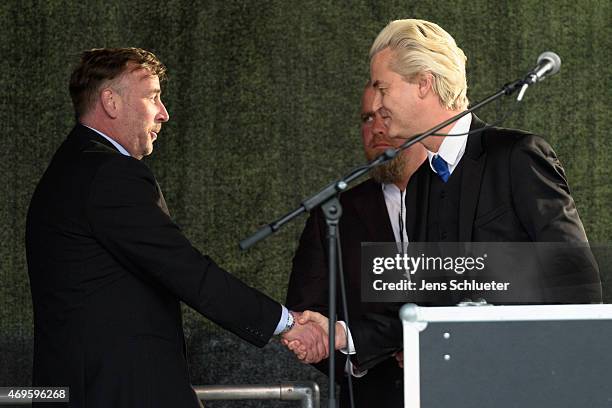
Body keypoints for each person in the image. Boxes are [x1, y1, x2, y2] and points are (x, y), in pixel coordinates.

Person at [25, 47, 326, 408]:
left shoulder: (73, 167)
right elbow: (186, 271)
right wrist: (287, 324)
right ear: (111, 102)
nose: (164, 113)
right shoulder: (108, 173)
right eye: (153, 97)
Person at [368, 18, 601, 304]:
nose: (376, 104)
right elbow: (425, 303)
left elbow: (576, 280)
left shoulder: (518, 155)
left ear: (423, 83)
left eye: (382, 88)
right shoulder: (418, 185)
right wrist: (340, 333)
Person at [285, 84, 428, 407]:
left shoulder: (462, 196)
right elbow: (308, 312)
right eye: (367, 118)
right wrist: (363, 358)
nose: (376, 128)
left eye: (386, 115)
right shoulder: (334, 213)